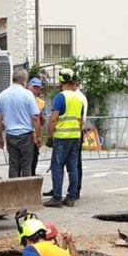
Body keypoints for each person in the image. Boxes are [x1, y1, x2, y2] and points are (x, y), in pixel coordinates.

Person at [44, 67, 84, 208]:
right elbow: (81, 121)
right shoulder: (79, 99)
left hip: (62, 137)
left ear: (61, 81)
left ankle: (56, 198)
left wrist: (50, 136)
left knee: (57, 166)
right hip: (75, 137)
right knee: (73, 167)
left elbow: (53, 119)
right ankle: (71, 197)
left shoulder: (60, 97)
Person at [0, 68, 41, 178]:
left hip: (10, 135)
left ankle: (13, 187)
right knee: (26, 166)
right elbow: (35, 118)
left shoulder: (2, 95)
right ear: (23, 80)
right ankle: (26, 187)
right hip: (26, 135)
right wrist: (38, 136)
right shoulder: (28, 95)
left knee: (13, 165)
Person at [29, 77, 46, 175]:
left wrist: (41, 116)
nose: (36, 90)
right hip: (25, 133)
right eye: (34, 87)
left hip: (35, 134)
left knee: (34, 159)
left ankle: (32, 176)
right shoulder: (23, 98)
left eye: (38, 88)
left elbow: (42, 121)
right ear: (29, 86)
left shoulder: (41, 103)